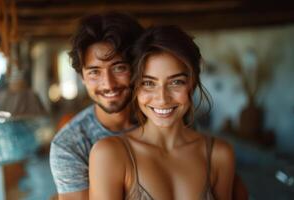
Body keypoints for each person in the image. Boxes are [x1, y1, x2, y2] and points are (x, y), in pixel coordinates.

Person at [89, 25, 236, 200]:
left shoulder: (219, 155)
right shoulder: (110, 154)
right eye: (149, 83)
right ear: (135, 87)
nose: (162, 99)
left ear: (193, 82)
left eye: (176, 82)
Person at [49, 12, 144, 200]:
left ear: (137, 67)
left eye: (119, 68)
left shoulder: (165, 121)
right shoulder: (70, 144)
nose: (108, 84)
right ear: (82, 78)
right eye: (94, 72)